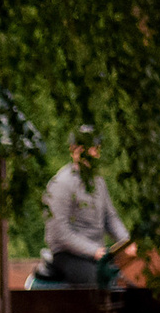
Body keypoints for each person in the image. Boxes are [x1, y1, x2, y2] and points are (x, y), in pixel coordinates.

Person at [43, 125, 135, 292]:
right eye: (86, 148)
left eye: (94, 148)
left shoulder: (98, 182)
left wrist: (126, 242)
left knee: (125, 287)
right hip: (68, 255)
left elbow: (110, 217)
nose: (92, 152)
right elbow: (59, 232)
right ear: (73, 150)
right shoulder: (61, 184)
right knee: (93, 285)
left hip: (98, 254)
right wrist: (94, 251)